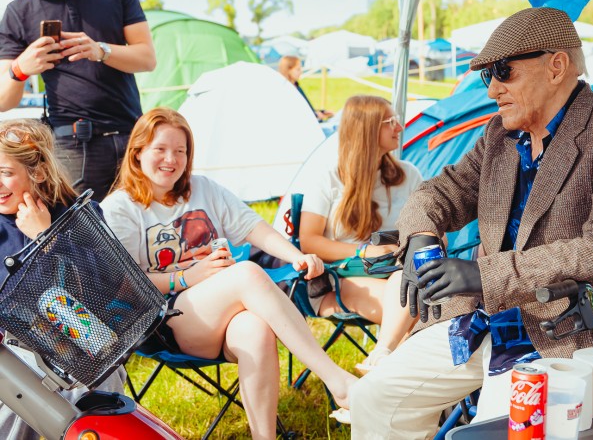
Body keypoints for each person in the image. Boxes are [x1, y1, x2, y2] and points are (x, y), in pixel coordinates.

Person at [349, 7, 593, 438]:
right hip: (485, 318)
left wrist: (481, 273)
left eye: (503, 71)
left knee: (495, 430)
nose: (492, 88)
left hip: (572, 328)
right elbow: (438, 193)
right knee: (374, 399)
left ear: (556, 66)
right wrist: (420, 240)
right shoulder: (500, 135)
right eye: (486, 76)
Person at [100, 108, 357, 439]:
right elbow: (124, 283)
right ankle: (337, 381)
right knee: (247, 273)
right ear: (137, 154)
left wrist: (297, 257)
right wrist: (190, 277)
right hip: (166, 320)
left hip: (219, 313)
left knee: (254, 330)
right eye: (160, 150)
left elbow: (252, 227)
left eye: (181, 151)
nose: (171, 159)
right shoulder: (120, 208)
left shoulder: (203, 189)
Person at [0, 0, 156, 202]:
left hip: (133, 134)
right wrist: (21, 68)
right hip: (72, 146)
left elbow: (147, 59)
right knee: (80, 235)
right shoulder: (18, 11)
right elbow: (3, 100)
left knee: (142, 228)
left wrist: (101, 51)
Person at [0, 118, 126, 440]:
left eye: (5, 173)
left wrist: (46, 237)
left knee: (100, 384)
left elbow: (105, 282)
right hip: (14, 349)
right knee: (23, 382)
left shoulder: (77, 215)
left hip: (83, 343)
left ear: (37, 172)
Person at [298, 95, 423, 373]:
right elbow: (309, 240)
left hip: (403, 272)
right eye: (390, 122)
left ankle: (380, 362)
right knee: (414, 309)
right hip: (341, 276)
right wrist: (364, 252)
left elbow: (431, 229)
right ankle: (385, 387)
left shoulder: (408, 175)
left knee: (410, 292)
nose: (399, 127)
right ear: (367, 130)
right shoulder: (328, 178)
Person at [278, 55, 333, 122]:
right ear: (288, 70)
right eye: (298, 69)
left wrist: (320, 112)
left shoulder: (297, 87)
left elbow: (306, 108)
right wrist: (315, 115)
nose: (301, 72)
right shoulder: (285, 91)